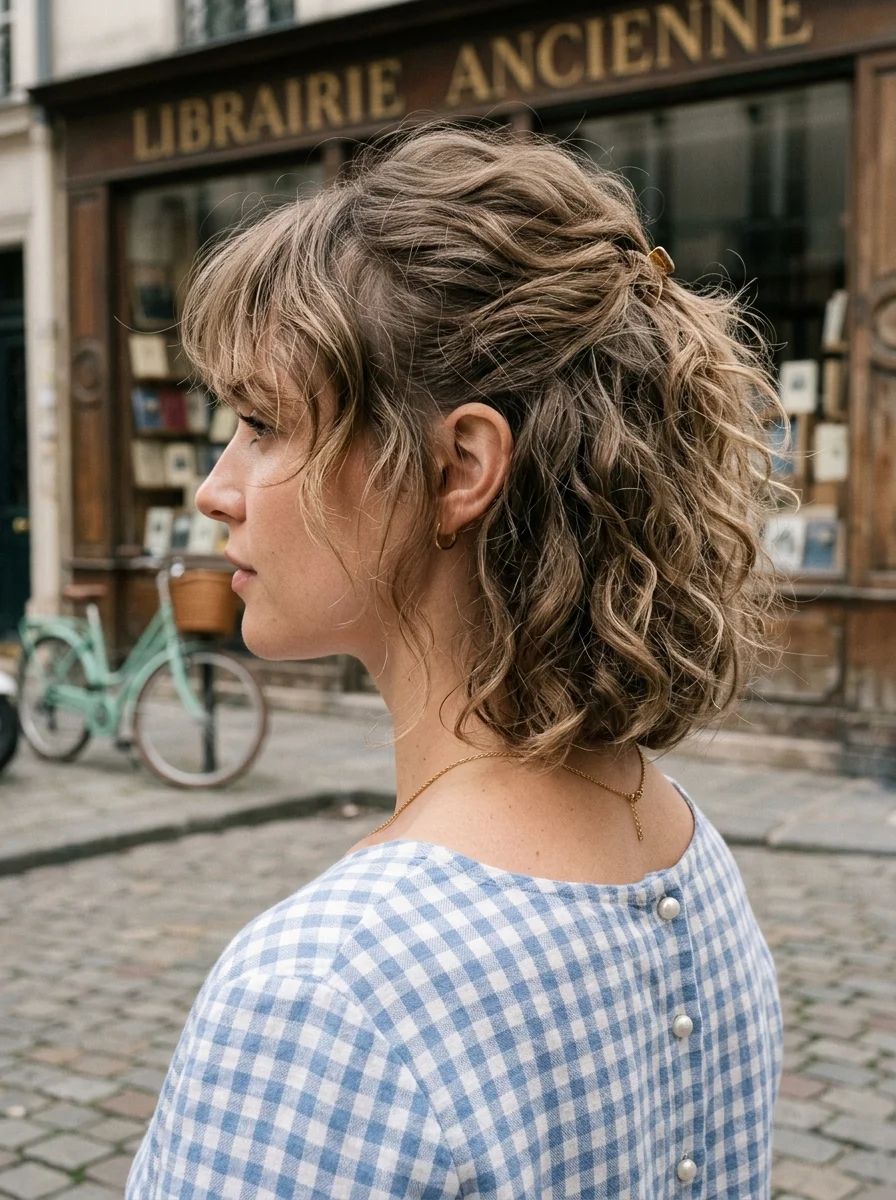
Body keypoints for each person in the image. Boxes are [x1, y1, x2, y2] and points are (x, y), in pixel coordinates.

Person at [127, 124, 783, 1199]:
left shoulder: (323, 995)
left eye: (260, 423)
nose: (216, 487)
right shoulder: (677, 844)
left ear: (458, 466)